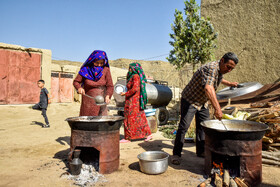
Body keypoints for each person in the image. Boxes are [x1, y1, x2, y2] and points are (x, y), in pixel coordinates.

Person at [171, 52, 239, 164]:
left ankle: (201, 151)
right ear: (222, 61)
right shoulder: (211, 68)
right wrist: (218, 109)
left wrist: (230, 84)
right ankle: (176, 154)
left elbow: (218, 79)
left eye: (232, 69)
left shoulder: (220, 70)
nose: (229, 70)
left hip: (202, 102)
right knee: (184, 127)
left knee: (203, 127)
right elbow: (208, 88)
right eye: (228, 67)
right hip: (190, 100)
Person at [73, 50, 114, 116]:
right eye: (97, 63)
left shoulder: (106, 69)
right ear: (92, 60)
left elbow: (110, 86)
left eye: (101, 63)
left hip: (101, 101)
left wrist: (108, 95)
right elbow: (76, 82)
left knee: (100, 121)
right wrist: (79, 88)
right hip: (88, 101)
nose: (99, 65)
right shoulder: (85, 70)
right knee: (88, 121)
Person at [120, 62, 152, 143]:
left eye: (130, 68)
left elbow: (135, 89)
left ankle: (130, 137)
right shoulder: (132, 77)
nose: (129, 70)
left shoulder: (135, 76)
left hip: (133, 101)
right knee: (137, 118)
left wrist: (125, 93)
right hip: (131, 101)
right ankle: (145, 134)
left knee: (132, 118)